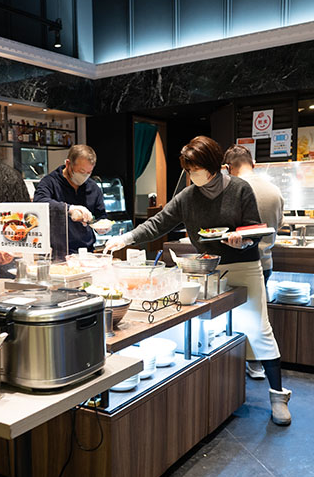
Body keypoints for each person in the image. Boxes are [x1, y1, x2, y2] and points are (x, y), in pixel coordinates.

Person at [104, 136, 292, 426]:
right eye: (189, 170)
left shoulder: (240, 189)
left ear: (214, 165)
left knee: (259, 328)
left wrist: (241, 240)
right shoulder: (188, 197)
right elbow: (159, 223)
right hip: (207, 270)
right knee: (212, 328)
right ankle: (216, 391)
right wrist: (126, 238)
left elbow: (256, 228)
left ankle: (277, 395)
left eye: (196, 169)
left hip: (243, 265)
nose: (193, 175)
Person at [223, 145, 284, 382]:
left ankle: (234, 365)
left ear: (228, 168)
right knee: (258, 319)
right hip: (264, 261)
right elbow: (278, 225)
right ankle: (256, 363)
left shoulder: (234, 190)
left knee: (233, 317)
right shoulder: (274, 190)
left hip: (237, 262)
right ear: (254, 163)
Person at [32, 144, 110, 253]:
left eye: (89, 172)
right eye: (82, 172)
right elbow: (39, 203)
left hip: (86, 252)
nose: (85, 176)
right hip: (56, 253)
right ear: (68, 164)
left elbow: (100, 216)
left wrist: (103, 226)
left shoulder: (93, 188)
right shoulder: (50, 182)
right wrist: (69, 208)